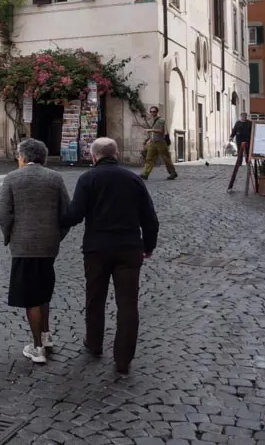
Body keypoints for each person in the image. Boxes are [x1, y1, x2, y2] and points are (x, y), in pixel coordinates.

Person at [61, 137, 160, 374]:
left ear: (94, 156)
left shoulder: (88, 179)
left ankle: (94, 343)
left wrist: (55, 220)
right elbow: (150, 219)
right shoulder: (133, 179)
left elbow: (75, 214)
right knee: (128, 304)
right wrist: (149, 245)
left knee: (95, 298)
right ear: (116, 154)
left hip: (97, 249)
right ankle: (123, 358)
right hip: (128, 248)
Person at [0, 139, 70, 364]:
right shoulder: (55, 178)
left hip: (24, 246)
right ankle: (46, 336)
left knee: (31, 296)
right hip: (48, 246)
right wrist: (57, 236)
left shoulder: (12, 178)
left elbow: (3, 213)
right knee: (44, 290)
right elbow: (67, 212)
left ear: (23, 157)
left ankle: (37, 347)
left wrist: (9, 236)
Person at [140, 106, 177, 180]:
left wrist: (149, 130)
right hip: (153, 142)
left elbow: (161, 131)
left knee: (166, 158)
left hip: (161, 142)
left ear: (157, 112)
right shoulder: (152, 120)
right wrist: (150, 139)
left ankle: (173, 173)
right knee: (149, 158)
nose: (152, 113)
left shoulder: (161, 120)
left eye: (154, 111)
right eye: (151, 111)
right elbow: (153, 133)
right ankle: (145, 174)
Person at [227, 112, 253, 191]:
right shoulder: (238, 123)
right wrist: (231, 136)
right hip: (239, 139)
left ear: (246, 117)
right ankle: (240, 161)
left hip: (247, 139)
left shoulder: (249, 123)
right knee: (240, 151)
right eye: (242, 116)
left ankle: (247, 161)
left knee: (248, 151)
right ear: (241, 116)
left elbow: (252, 130)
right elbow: (234, 130)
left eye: (245, 116)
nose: (243, 117)